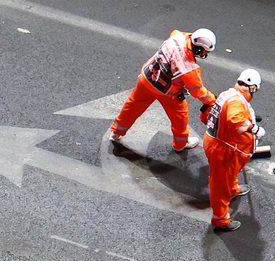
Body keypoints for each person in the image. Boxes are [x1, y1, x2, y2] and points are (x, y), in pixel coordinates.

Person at [109, 28, 218, 152]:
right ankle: (180, 144)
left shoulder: (177, 36)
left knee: (132, 106)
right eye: (205, 51)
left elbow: (179, 33)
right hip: (166, 92)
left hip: (147, 79)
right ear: (198, 49)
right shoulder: (189, 68)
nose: (205, 54)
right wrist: (212, 100)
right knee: (180, 114)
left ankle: (116, 133)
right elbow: (197, 91)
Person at [202, 69, 265, 232]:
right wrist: (254, 128)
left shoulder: (230, 94)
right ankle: (220, 219)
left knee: (228, 175)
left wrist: (250, 118)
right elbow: (234, 120)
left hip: (224, 147)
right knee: (220, 184)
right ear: (252, 87)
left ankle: (232, 189)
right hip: (223, 150)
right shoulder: (236, 102)